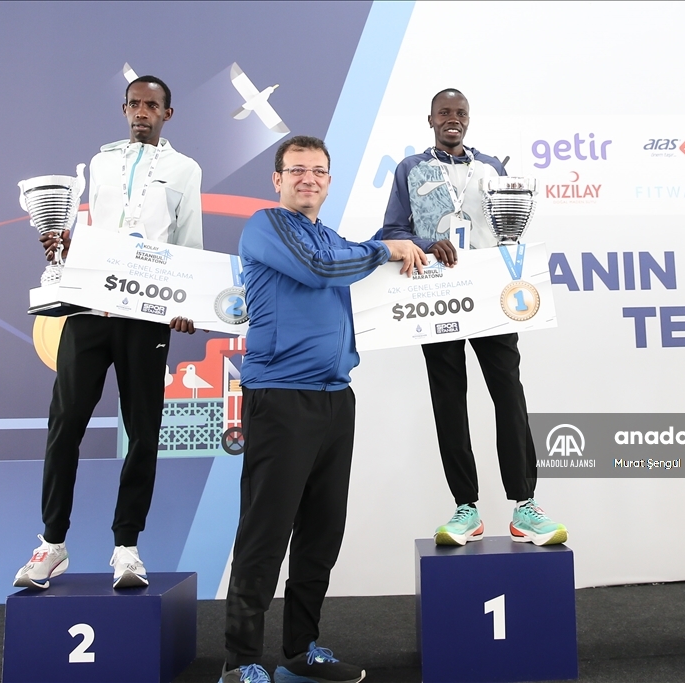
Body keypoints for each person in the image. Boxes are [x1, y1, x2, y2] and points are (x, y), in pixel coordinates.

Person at [220, 135, 425, 683]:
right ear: (277, 179)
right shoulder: (265, 225)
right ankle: (240, 662)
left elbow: (349, 253)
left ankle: (301, 651)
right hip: (280, 396)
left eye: (318, 170)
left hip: (335, 398)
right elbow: (318, 268)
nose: (308, 178)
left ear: (329, 182)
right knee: (266, 533)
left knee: (321, 534)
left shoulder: (331, 238)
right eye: (297, 170)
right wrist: (384, 250)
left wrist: (413, 244)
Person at [13, 75, 202, 590]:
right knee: (65, 424)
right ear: (124, 109)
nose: (142, 112)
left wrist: (185, 302)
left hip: (145, 315)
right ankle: (52, 544)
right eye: (134, 104)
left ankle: (127, 547)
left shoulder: (185, 170)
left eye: (152, 105)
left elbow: (189, 244)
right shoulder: (100, 163)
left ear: (167, 114)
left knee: (143, 431)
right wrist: (64, 243)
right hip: (90, 308)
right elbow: (92, 230)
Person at [382, 89, 567, 547]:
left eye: (460, 113)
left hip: (490, 295)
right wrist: (426, 245)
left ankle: (525, 505)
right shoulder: (410, 169)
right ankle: (466, 507)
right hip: (436, 295)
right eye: (444, 112)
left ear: (468, 119)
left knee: (509, 395)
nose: (453, 119)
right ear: (430, 120)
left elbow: (509, 229)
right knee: (449, 400)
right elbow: (393, 231)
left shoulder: (492, 168)